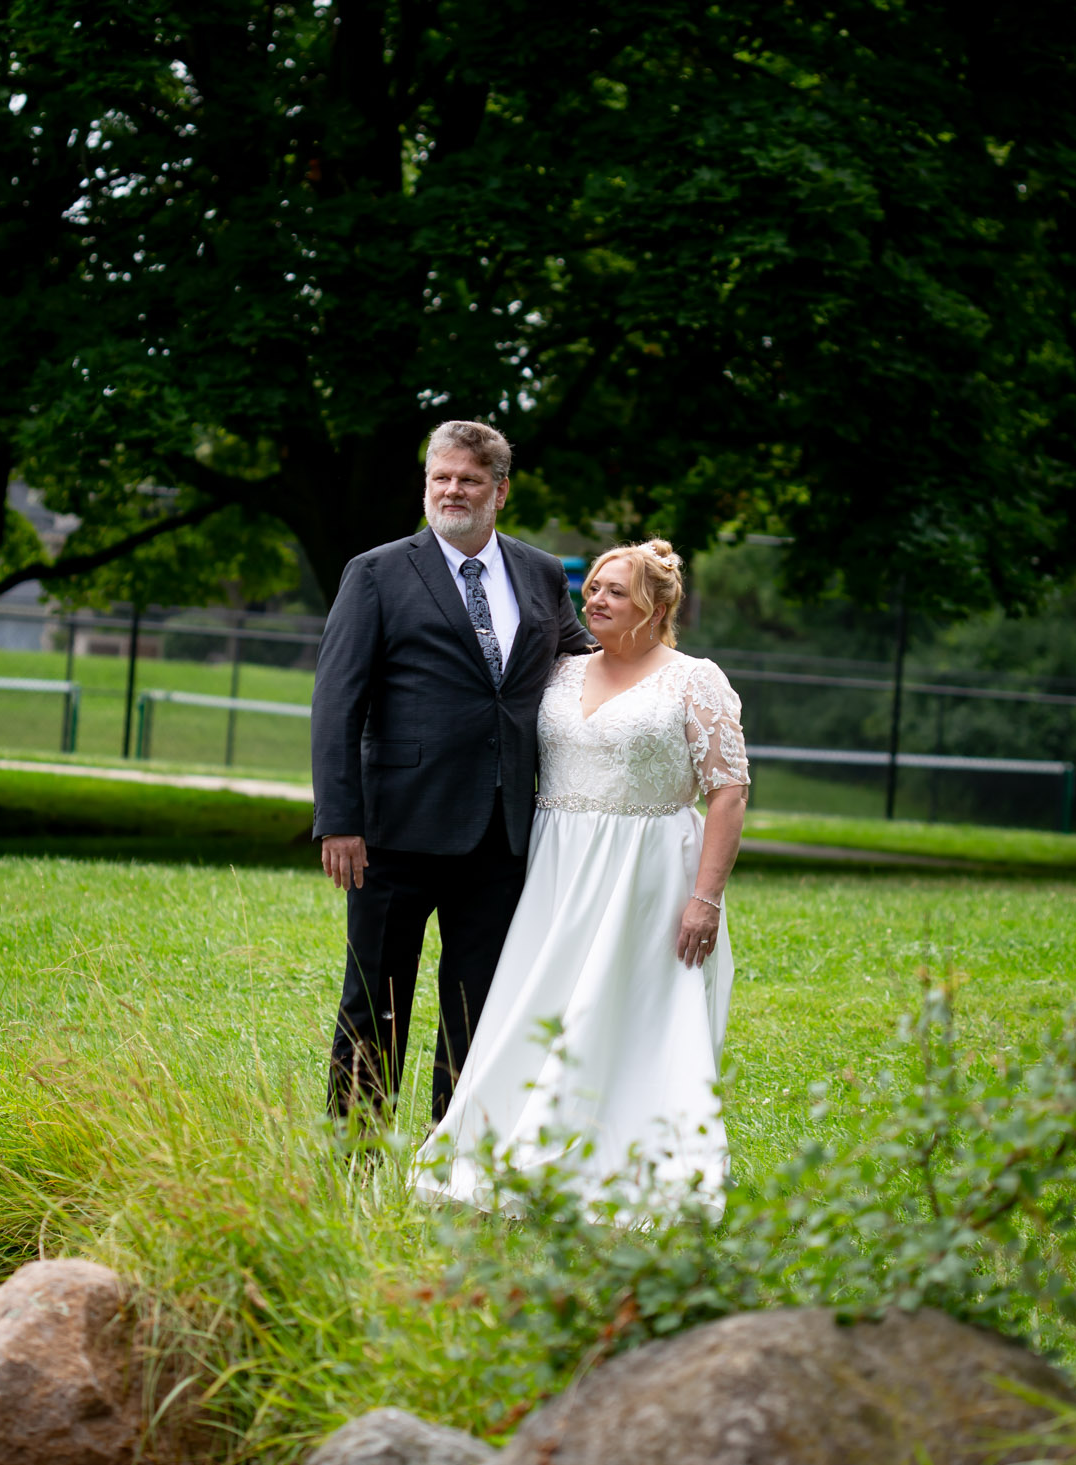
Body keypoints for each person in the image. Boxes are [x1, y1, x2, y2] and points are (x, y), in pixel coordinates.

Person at [417, 538, 749, 1203]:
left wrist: (705, 899)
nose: (595, 599)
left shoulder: (694, 679)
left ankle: (635, 1160)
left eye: (615, 591)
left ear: (657, 606)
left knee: (633, 1009)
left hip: (648, 873)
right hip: (555, 868)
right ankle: (514, 1145)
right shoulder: (560, 670)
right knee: (540, 1001)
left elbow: (729, 791)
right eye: (592, 587)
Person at [311, 419, 592, 1122]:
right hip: (393, 830)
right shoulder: (375, 572)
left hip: (502, 834)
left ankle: (455, 1163)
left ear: (501, 489)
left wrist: (671, 680)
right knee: (374, 1002)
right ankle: (356, 1158)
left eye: (468, 479)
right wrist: (340, 820)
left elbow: (583, 663)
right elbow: (336, 702)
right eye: (441, 477)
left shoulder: (538, 572)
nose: (452, 490)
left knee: (481, 1008)